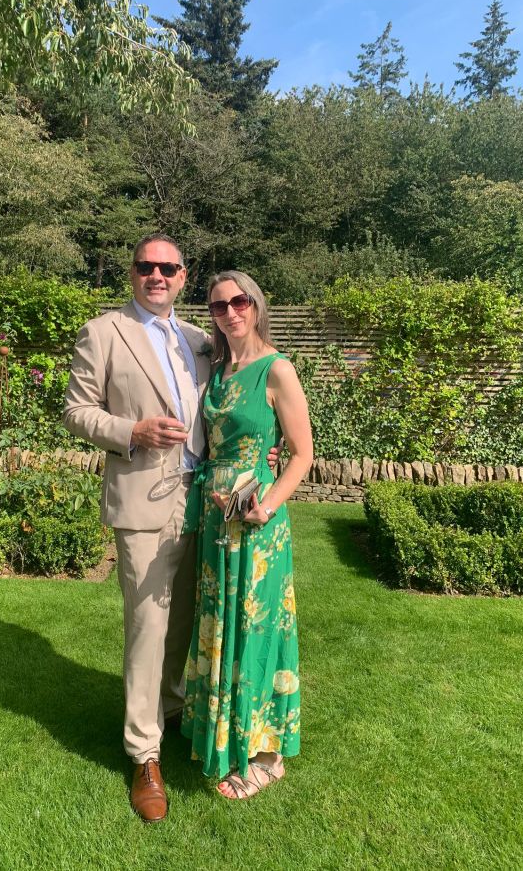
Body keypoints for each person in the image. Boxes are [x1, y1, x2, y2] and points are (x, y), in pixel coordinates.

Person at [63, 234, 282, 823]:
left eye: (169, 268)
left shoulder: (199, 340)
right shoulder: (103, 332)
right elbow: (76, 410)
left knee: (187, 621)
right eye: (146, 267)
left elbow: (242, 404)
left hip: (207, 508)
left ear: (184, 278)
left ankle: (172, 710)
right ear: (132, 274)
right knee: (147, 629)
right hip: (143, 506)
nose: (157, 275)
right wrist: (132, 431)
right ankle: (144, 753)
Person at [181, 270, 313, 799]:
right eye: (218, 306)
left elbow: (300, 454)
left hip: (257, 518)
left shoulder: (276, 369)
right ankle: (222, 731)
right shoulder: (216, 370)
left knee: (257, 627)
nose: (230, 312)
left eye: (240, 302)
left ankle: (266, 753)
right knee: (221, 622)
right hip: (217, 514)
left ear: (256, 306)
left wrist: (266, 505)